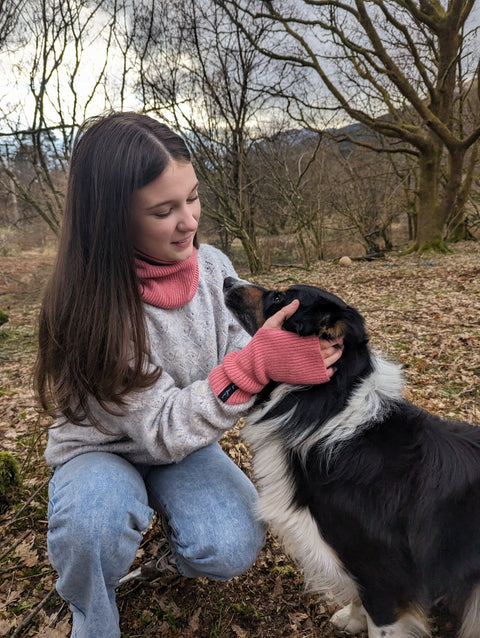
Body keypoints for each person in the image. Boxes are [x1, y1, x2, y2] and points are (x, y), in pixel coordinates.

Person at [34, 111, 343, 638]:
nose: (190, 222)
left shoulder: (214, 267)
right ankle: (93, 607)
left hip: (185, 448)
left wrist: (292, 347)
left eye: (193, 197)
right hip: (102, 451)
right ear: (114, 220)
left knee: (231, 544)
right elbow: (162, 426)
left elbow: (246, 347)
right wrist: (258, 364)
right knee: (92, 527)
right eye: (163, 210)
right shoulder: (90, 308)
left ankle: (163, 554)